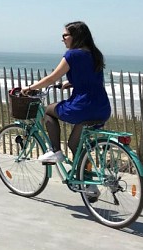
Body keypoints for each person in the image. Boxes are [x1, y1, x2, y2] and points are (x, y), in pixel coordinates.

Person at [24, 21, 111, 165]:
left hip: (83, 107)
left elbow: (51, 78)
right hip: (102, 108)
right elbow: (91, 78)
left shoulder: (72, 54)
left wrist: (30, 87)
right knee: (74, 144)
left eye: (65, 35)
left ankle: (55, 151)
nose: (62, 39)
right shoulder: (95, 54)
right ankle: (85, 182)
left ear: (75, 36)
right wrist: (72, 82)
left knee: (49, 110)